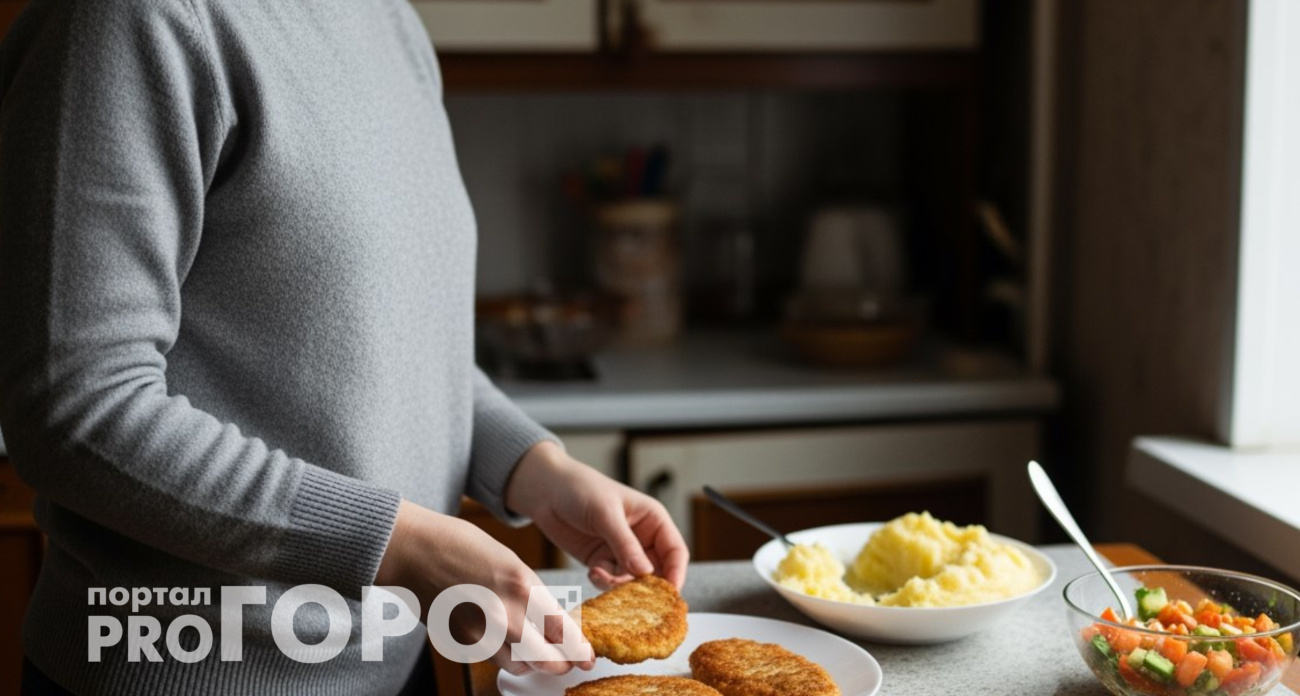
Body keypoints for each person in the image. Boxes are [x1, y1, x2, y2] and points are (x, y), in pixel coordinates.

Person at [0, 1, 689, 695]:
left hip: (396, 665)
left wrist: (534, 470)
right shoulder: (135, 20)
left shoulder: (391, 24)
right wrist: (402, 545)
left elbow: (400, 341)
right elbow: (75, 407)